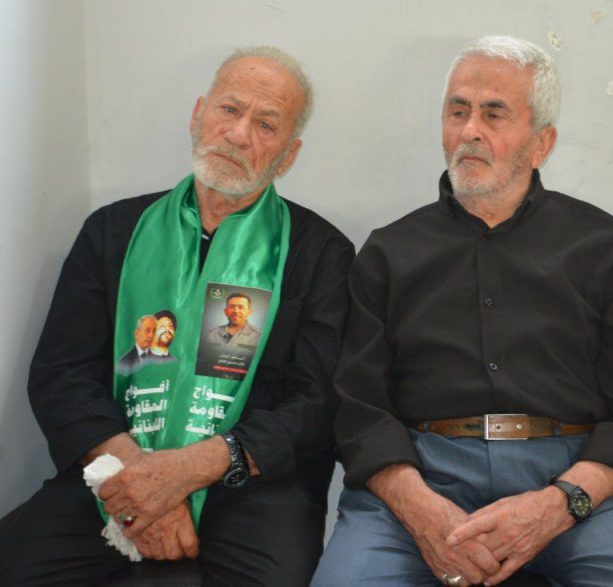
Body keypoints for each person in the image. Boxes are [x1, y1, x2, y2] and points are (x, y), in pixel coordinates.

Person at [313, 36, 613, 586]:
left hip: (574, 480)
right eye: (458, 111)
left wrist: (559, 504)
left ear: (542, 143)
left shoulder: (600, 245)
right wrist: (421, 512)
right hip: (422, 479)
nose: (470, 130)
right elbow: (359, 410)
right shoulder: (388, 252)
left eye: (494, 114)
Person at [0, 46, 354, 586]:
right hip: (113, 469)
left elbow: (316, 401)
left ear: (288, 155)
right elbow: (61, 373)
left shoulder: (321, 252)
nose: (238, 134)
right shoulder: (112, 231)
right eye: (229, 110)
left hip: (251, 489)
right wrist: (139, 479)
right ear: (197, 116)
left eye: (266, 125)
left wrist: (185, 472)